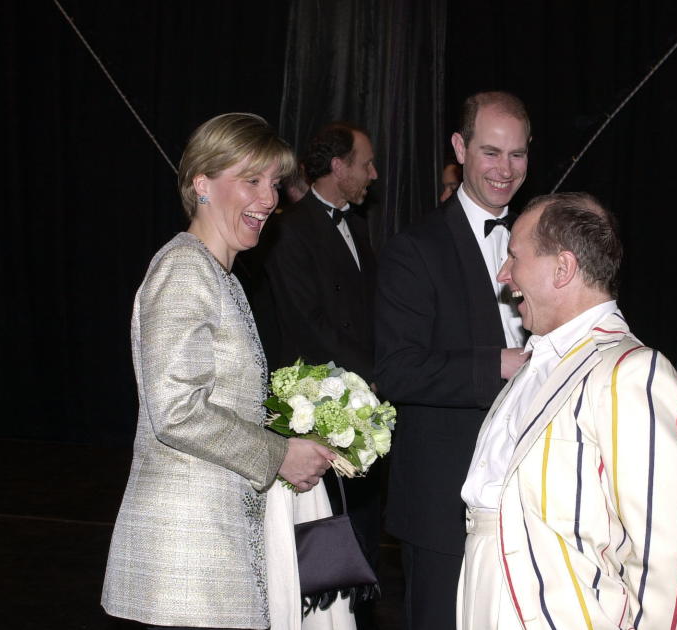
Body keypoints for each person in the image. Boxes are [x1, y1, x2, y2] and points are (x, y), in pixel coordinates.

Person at [101, 112, 340, 630]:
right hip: (185, 559)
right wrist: (279, 454)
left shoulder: (219, 276)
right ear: (201, 184)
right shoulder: (185, 269)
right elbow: (177, 412)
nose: (268, 198)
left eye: (273, 183)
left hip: (215, 547)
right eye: (250, 180)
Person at [458, 192, 677, 629]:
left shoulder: (630, 372)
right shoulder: (536, 363)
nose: (504, 273)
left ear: (563, 268)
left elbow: (666, 554)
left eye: (515, 257)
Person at [374, 91, 530, 630]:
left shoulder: (547, 239)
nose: (504, 170)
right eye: (491, 152)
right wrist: (500, 365)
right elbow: (397, 369)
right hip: (445, 501)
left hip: (532, 496)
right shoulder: (414, 249)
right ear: (460, 148)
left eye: (517, 155)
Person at [246, 121, 381, 629]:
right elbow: (308, 324)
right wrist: (372, 376)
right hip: (316, 406)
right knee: (324, 533)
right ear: (339, 166)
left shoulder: (359, 226)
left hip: (359, 401)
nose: (373, 173)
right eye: (365, 163)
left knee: (362, 521)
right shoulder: (290, 228)